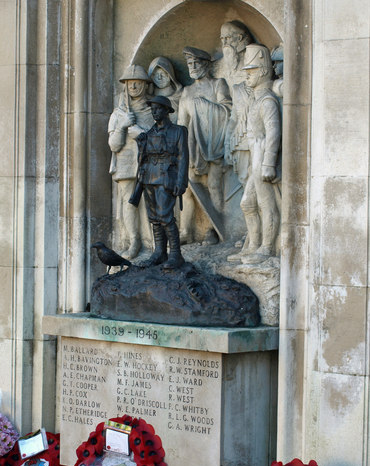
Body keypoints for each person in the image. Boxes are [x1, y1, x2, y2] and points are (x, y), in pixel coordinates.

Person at [227, 44, 281, 264]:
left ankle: (266, 247)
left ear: (264, 72)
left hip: (262, 162)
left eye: (251, 71)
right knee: (247, 203)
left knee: (266, 204)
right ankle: (253, 245)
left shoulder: (267, 101)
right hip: (255, 161)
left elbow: (273, 133)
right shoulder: (257, 100)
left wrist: (268, 164)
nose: (247, 76)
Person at [177, 46, 231, 244]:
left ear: (206, 65)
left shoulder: (218, 84)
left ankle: (212, 229)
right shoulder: (187, 91)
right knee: (188, 188)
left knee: (215, 186)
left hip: (214, 143)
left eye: (196, 63)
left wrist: (204, 106)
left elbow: (227, 110)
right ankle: (185, 231)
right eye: (189, 64)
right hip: (193, 146)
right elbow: (182, 123)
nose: (192, 67)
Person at [133, 96, 189, 269]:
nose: (154, 112)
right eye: (152, 109)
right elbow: (142, 160)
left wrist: (182, 182)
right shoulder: (149, 133)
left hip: (166, 178)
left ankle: (175, 254)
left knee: (165, 216)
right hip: (149, 178)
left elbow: (183, 158)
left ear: (166, 111)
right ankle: (159, 252)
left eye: (157, 109)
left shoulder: (178, 131)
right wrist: (141, 145)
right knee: (154, 218)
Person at [108, 64, 154, 259]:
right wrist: (123, 126)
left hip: (149, 161)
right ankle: (134, 240)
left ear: (145, 84)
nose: (133, 86)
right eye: (129, 83)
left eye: (137, 83)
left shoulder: (153, 110)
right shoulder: (118, 114)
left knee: (153, 200)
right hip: (126, 162)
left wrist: (140, 133)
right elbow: (113, 145)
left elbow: (162, 139)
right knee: (129, 201)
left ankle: (155, 242)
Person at [212, 20, 253, 88]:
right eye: (222, 38)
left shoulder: (251, 62)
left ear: (239, 38)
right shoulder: (215, 66)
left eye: (228, 38)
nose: (224, 42)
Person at [148, 56, 183, 123]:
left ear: (170, 75)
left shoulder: (180, 95)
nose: (159, 78)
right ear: (152, 76)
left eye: (162, 74)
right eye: (156, 75)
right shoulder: (148, 98)